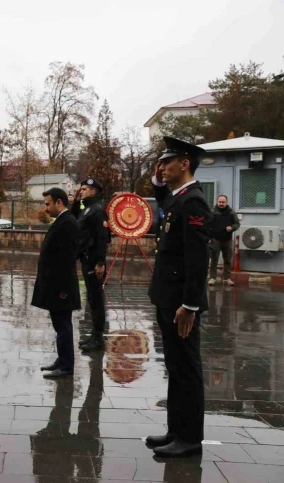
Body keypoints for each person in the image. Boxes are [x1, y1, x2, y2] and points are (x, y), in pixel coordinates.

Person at [147, 136, 211, 457]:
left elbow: (197, 259)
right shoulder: (179, 198)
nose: (162, 166)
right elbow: (166, 205)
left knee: (187, 368)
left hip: (180, 304)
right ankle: (176, 430)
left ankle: (190, 438)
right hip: (168, 299)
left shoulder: (194, 201)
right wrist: (158, 181)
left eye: (167, 161)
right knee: (175, 366)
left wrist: (190, 305)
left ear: (184, 163)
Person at [32, 187, 81, 378]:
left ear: (58, 202)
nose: (45, 208)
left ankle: (67, 367)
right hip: (55, 285)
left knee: (63, 327)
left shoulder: (67, 223)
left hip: (61, 288)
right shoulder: (62, 221)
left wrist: (64, 289)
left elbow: (67, 259)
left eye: (48, 203)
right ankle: (61, 360)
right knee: (59, 325)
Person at [71, 178, 108, 351]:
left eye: (84, 189)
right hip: (86, 259)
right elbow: (74, 218)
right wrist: (76, 201)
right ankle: (94, 335)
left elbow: (102, 238)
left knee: (96, 299)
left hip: (94, 261)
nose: (82, 191)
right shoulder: (86, 209)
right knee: (92, 300)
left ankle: (98, 337)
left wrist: (100, 262)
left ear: (93, 191)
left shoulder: (97, 211)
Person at [208, 195, 240, 286]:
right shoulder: (212, 212)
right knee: (214, 259)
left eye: (223, 202)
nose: (221, 204)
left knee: (228, 260)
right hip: (215, 239)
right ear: (217, 202)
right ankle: (212, 278)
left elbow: (237, 224)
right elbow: (207, 223)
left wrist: (232, 227)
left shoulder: (231, 213)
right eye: (220, 202)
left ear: (226, 202)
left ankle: (227, 279)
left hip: (227, 240)